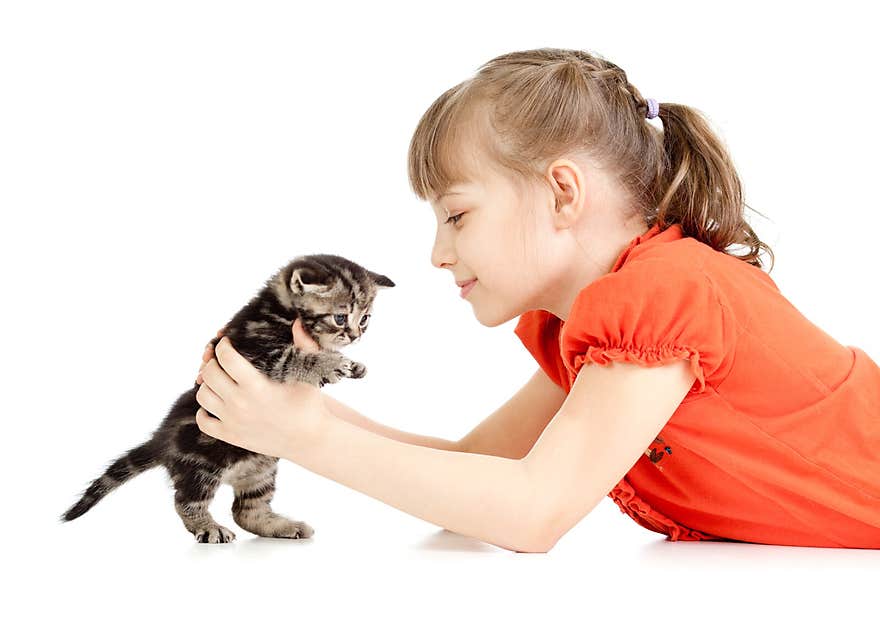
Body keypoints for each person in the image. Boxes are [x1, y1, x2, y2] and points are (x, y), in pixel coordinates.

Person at [194, 48, 880, 551]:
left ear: (562, 192)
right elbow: (476, 476)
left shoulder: (665, 293)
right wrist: (302, 409)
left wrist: (304, 438)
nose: (437, 253)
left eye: (457, 216)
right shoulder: (586, 330)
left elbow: (532, 511)